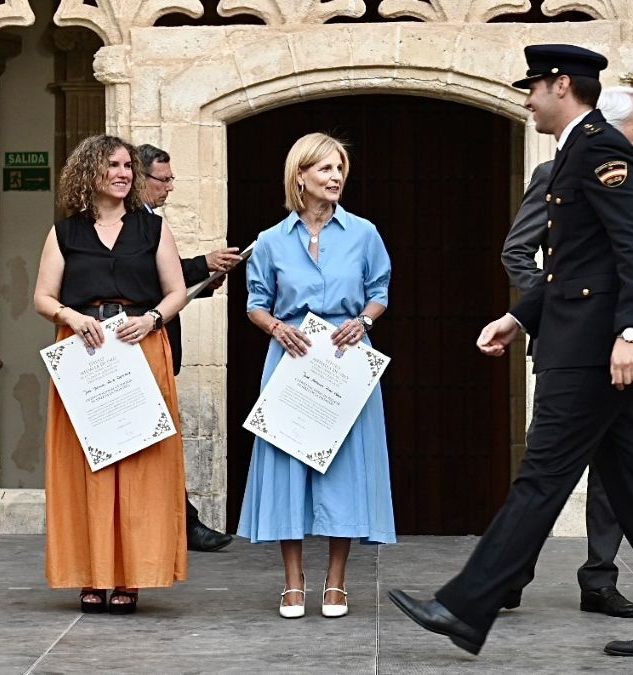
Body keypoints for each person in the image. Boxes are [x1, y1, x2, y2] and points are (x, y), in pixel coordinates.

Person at [388, 45, 633, 658]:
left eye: (533, 87)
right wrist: (518, 317)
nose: (528, 99)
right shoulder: (574, 151)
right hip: (581, 340)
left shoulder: (601, 147)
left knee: (542, 476)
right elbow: (572, 267)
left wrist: (631, 333)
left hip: (593, 352)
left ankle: (466, 605)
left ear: (561, 85)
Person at [498, 85, 633, 619]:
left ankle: (600, 579)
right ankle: (507, 577)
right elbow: (520, 253)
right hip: (571, 344)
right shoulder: (552, 173)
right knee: (547, 462)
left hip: (626, 345)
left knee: (617, 471)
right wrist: (555, 310)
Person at [237, 132, 395, 619]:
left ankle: (337, 581)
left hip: (346, 358)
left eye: (340, 168)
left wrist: (364, 321)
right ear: (300, 176)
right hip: (292, 357)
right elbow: (255, 304)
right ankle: (292, 582)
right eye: (325, 168)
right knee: (288, 468)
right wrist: (276, 327)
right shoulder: (269, 241)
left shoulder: (364, 233)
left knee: (342, 469)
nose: (336, 177)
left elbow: (380, 291)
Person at [33, 135, 189, 615]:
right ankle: (91, 573)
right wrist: (72, 317)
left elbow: (177, 291)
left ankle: (129, 575)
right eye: (113, 165)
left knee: (139, 466)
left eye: (127, 166)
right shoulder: (65, 232)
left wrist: (153, 319)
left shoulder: (152, 228)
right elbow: (42, 297)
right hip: (83, 350)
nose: (123, 173)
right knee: (87, 466)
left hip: (140, 346)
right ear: (90, 171)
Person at [136, 143, 240, 553]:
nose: (170, 187)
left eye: (171, 179)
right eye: (163, 180)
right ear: (141, 179)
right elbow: (146, 276)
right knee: (153, 444)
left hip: (157, 346)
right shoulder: (132, 223)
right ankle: (184, 525)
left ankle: (179, 524)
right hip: (138, 347)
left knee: (157, 443)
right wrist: (203, 264)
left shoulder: (150, 221)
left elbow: (163, 285)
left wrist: (203, 282)